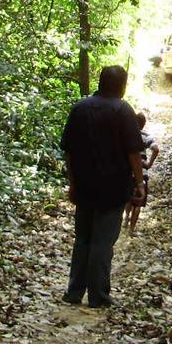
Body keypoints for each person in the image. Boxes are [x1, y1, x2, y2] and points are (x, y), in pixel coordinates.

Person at [60, 65, 145, 308]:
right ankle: (98, 295)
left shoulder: (80, 108)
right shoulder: (123, 110)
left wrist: (72, 183)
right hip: (113, 187)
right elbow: (133, 152)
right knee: (102, 241)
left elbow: (68, 151)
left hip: (84, 184)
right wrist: (139, 183)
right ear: (122, 85)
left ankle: (74, 291)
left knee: (83, 239)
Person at [124, 112, 159, 236]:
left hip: (128, 173)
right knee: (138, 202)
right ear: (143, 124)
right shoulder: (145, 136)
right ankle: (131, 229)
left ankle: (126, 219)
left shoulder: (126, 135)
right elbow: (155, 149)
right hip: (142, 173)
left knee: (129, 197)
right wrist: (149, 163)